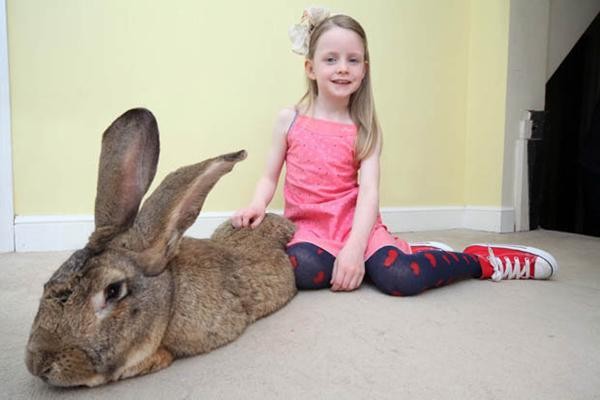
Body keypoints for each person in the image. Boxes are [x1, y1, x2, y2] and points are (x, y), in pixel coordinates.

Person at [232, 8, 558, 295]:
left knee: (400, 277)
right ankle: (399, 251)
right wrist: (257, 203)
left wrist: (355, 248)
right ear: (310, 68)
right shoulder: (289, 120)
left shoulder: (365, 129)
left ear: (364, 69)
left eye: (353, 60)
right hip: (310, 232)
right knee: (301, 269)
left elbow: (369, 194)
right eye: (331, 59)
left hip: (358, 226)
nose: (343, 68)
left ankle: (480, 262)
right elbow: (269, 177)